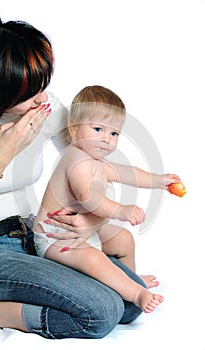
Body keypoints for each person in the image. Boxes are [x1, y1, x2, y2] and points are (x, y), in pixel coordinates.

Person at [0, 11, 155, 339]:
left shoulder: (44, 109)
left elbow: (86, 160)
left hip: (32, 233)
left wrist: (92, 220)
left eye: (43, 85)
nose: (42, 98)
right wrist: (2, 155)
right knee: (100, 313)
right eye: (29, 92)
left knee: (131, 303)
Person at [34, 85, 180, 313]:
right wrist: (122, 210)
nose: (106, 139)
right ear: (73, 130)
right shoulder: (76, 158)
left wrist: (159, 180)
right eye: (98, 129)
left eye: (114, 133)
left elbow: (128, 173)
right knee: (94, 259)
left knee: (123, 239)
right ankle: (136, 292)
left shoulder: (97, 160)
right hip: (55, 238)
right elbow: (88, 196)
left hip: (82, 232)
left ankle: (128, 278)